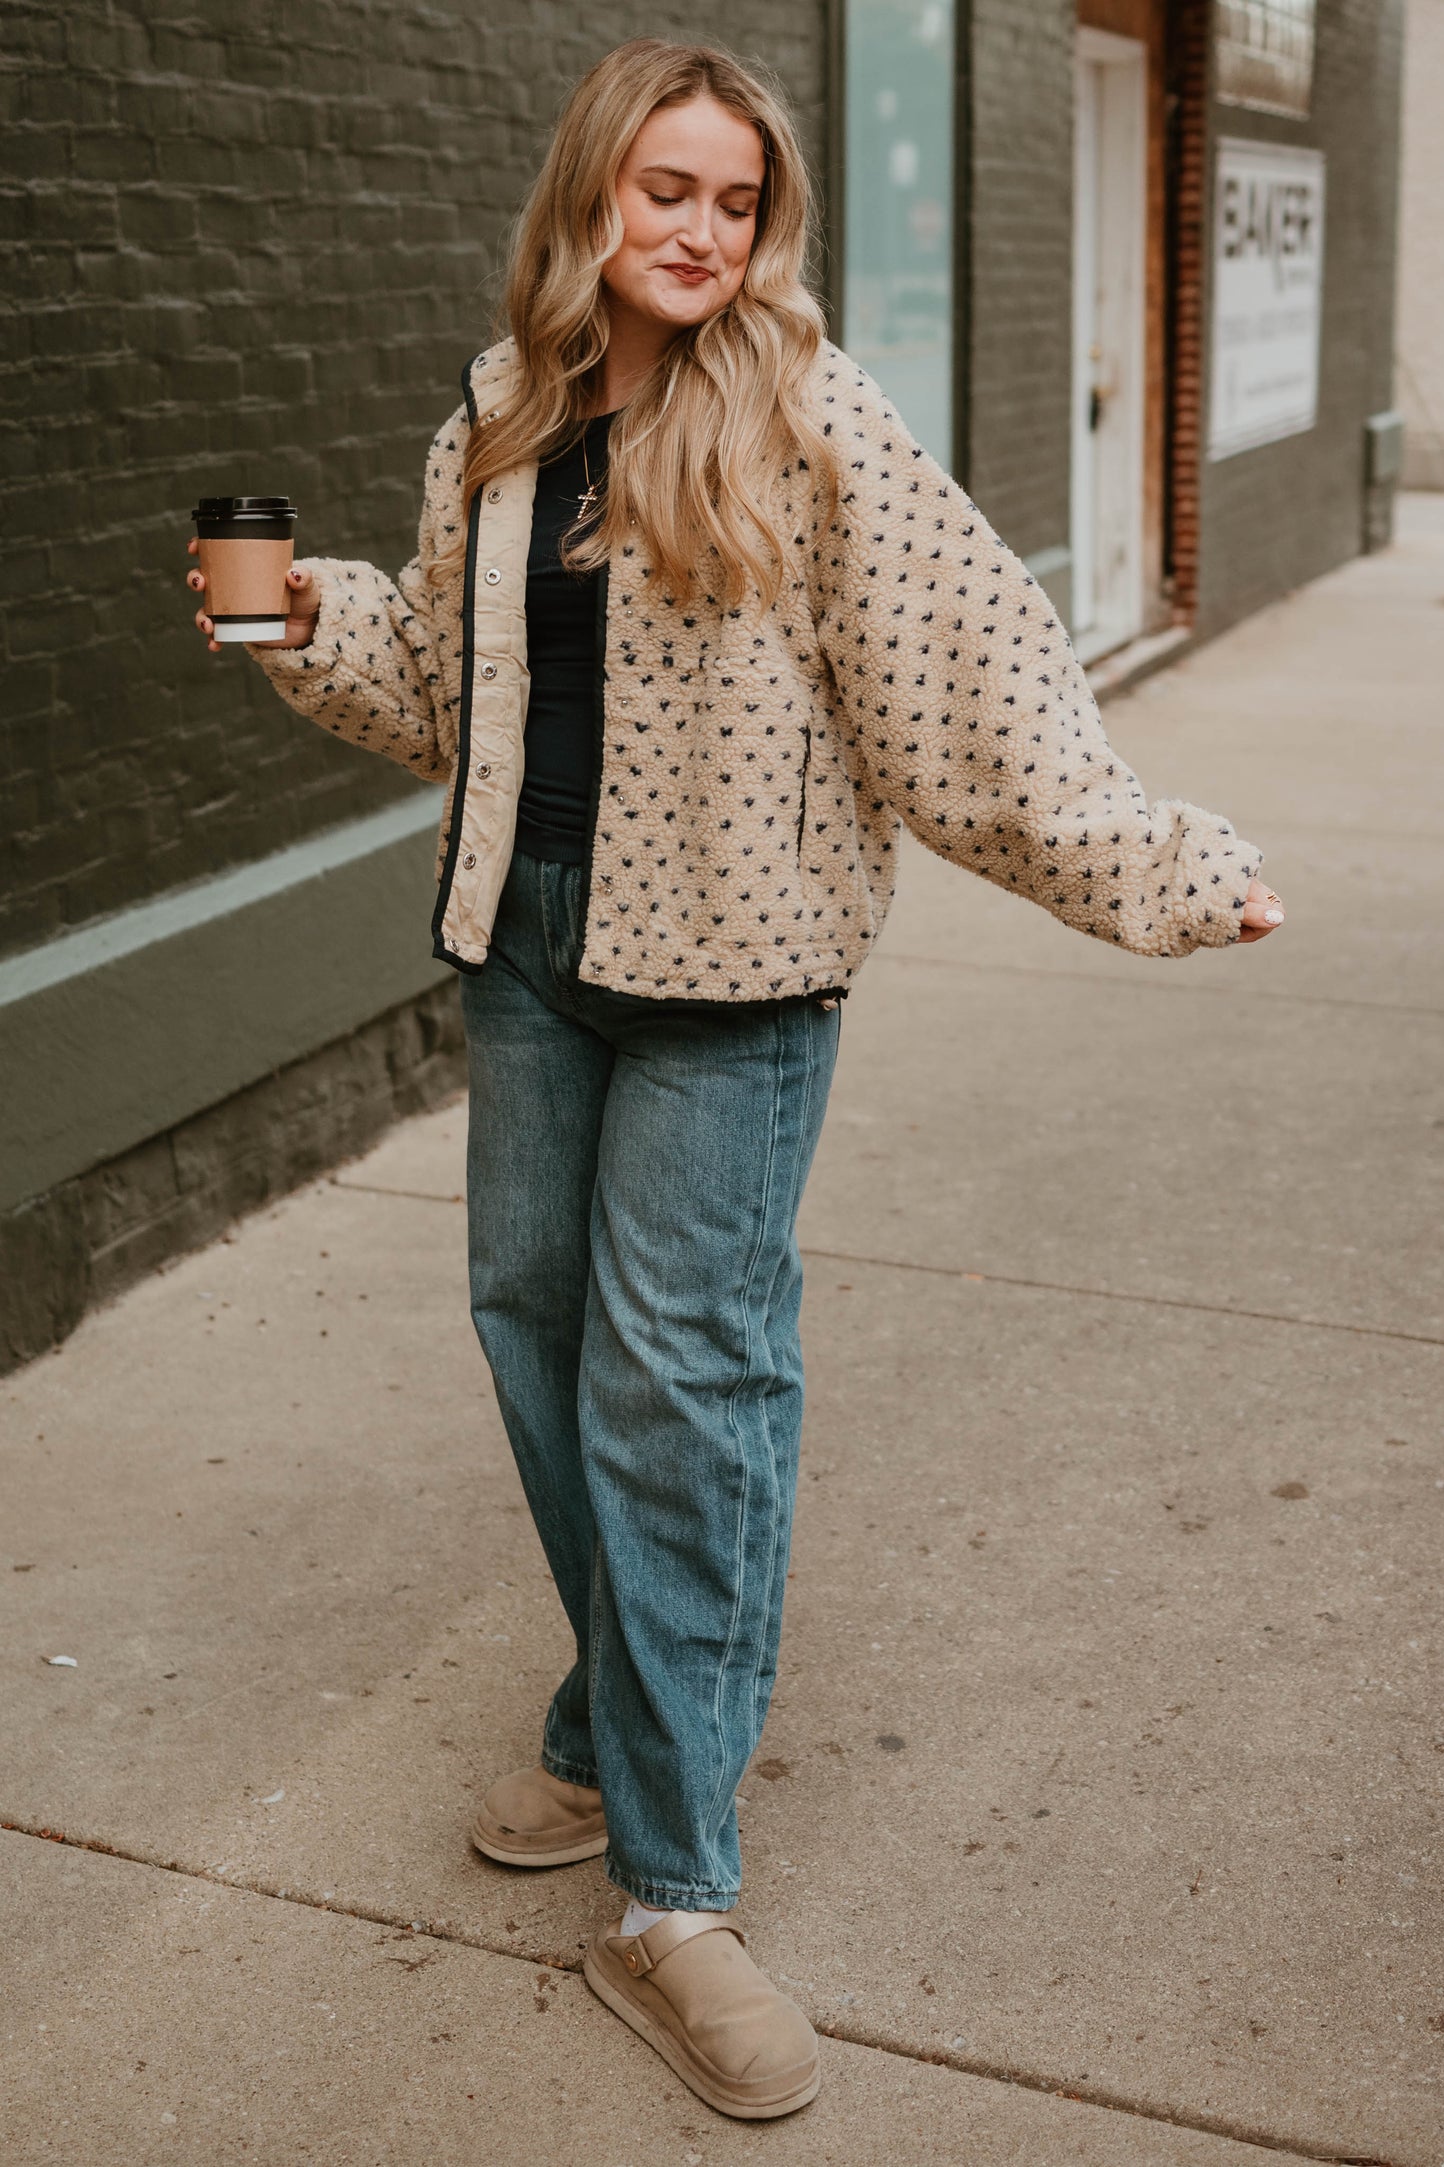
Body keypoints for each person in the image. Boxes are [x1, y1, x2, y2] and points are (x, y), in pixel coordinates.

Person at [186, 37, 1283, 2121]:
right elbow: (439, 675)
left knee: (679, 1384)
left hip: (734, 983)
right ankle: (614, 1719)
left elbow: (975, 687)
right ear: (590, 194)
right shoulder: (498, 423)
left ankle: (675, 1898)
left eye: (737, 201)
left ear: (765, 228)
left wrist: (1154, 862)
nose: (698, 230)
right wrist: (285, 617)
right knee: (532, 1334)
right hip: (527, 952)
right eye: (664, 190)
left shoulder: (810, 424)